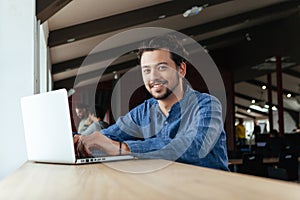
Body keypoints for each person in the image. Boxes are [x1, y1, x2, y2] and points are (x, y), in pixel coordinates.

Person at [75, 34, 229, 171]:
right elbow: (104, 137)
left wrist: (122, 148)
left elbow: (195, 146)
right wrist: (79, 140)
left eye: (161, 67)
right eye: (146, 70)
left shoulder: (207, 105)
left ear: (181, 69)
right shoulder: (143, 111)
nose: (153, 77)